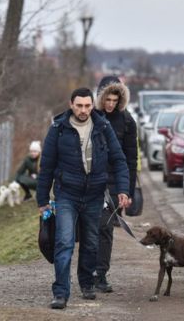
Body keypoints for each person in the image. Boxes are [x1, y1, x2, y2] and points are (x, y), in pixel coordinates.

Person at [36, 87, 131, 310]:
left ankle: (87, 283)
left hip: (95, 195)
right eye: (79, 105)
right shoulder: (58, 129)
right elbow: (46, 166)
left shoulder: (102, 127)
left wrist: (123, 190)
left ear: (91, 105)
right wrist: (42, 200)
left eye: (87, 105)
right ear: (71, 105)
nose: (83, 110)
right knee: (64, 242)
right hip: (66, 194)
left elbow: (118, 160)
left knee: (90, 243)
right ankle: (60, 292)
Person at [94, 76, 137, 293]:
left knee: (105, 228)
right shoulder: (90, 117)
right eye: (107, 99)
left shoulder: (127, 121)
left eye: (115, 100)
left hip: (113, 183)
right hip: (90, 180)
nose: (110, 104)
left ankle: (100, 274)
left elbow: (131, 159)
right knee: (88, 228)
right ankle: (88, 271)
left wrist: (126, 191)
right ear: (100, 97)